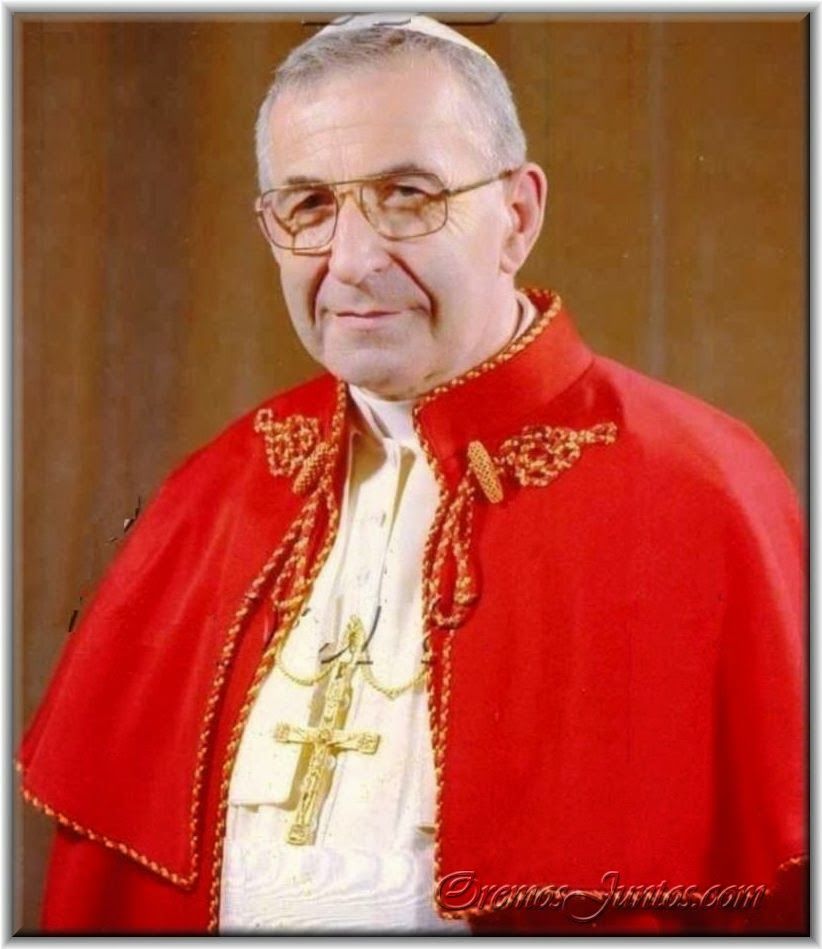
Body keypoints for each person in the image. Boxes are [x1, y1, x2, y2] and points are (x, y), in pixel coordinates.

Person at [18, 13, 806, 936]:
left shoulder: (699, 490)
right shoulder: (212, 494)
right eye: (309, 206)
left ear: (517, 216)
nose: (353, 262)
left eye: (407, 196)